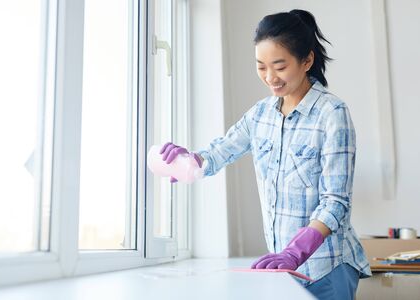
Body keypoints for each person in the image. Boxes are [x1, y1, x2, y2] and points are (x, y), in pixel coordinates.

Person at [159, 9, 371, 299]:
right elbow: (221, 150)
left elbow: (336, 202)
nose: (270, 77)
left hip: (328, 268)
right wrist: (189, 161)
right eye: (261, 66)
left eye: (280, 66)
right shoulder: (260, 115)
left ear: (307, 60)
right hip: (283, 270)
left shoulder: (332, 114)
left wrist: (296, 251)